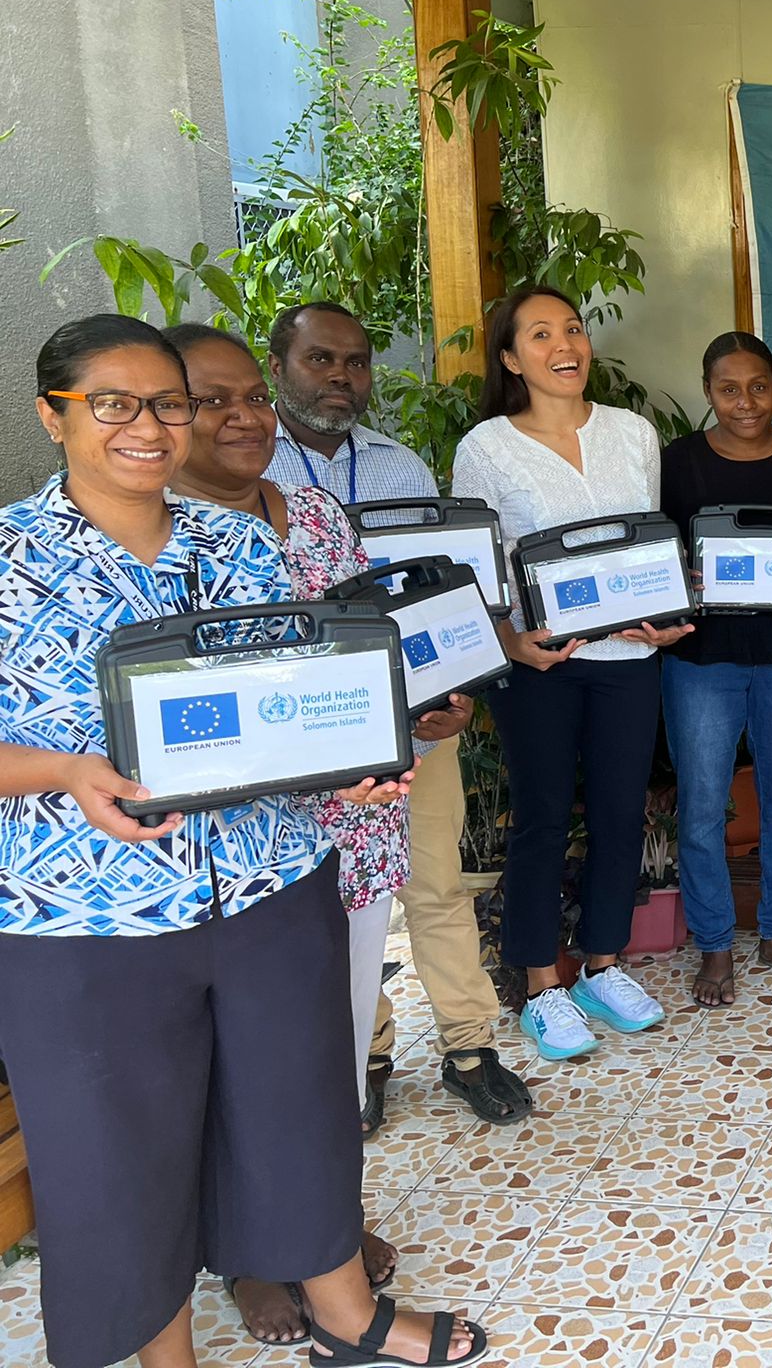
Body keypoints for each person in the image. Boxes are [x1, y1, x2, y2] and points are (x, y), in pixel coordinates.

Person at [0, 315, 481, 1368]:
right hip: (89, 915)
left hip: (269, 884)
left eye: (166, 403)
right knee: (120, 1153)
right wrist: (65, 772)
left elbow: (301, 700)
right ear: (54, 414)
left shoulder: (240, 542)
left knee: (299, 1107)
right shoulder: (8, 559)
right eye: (113, 404)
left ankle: (346, 1316)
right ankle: (161, 1355)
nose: (149, 425)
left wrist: (358, 756)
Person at [165, 322, 474, 1347]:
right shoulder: (153, 533)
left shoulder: (310, 512)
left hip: (353, 828)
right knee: (234, 1056)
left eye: (251, 395)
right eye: (214, 400)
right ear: (169, 414)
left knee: (329, 1040)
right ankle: (251, 1252)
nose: (245, 416)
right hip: (231, 854)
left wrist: (417, 705)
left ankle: (322, 1227)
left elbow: (356, 646)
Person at [265, 300, 532, 1129]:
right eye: (321, 360)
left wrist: (454, 695)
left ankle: (467, 1047)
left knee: (438, 881)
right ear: (278, 366)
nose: (342, 378)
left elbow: (441, 593)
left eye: (356, 362)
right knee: (344, 902)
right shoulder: (244, 465)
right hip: (315, 733)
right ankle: (369, 1048)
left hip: (417, 717)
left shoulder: (400, 464)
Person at [452, 287, 688, 1059]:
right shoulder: (486, 446)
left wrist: (660, 616)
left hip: (629, 659)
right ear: (512, 358)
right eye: (542, 334)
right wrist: (510, 644)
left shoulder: (632, 433)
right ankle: (540, 985)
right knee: (542, 819)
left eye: (575, 329)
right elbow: (472, 570)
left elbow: (645, 545)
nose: (566, 345)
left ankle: (602, 963)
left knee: (623, 813)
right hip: (541, 665)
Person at [659, 332, 772, 1006]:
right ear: (708, 392)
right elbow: (659, 559)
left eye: (758, 386)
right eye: (729, 389)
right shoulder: (678, 464)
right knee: (703, 808)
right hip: (701, 659)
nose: (745, 402)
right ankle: (714, 945)